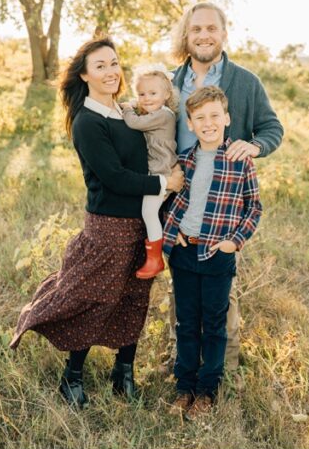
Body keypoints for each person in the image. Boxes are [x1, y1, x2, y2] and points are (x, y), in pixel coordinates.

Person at [10, 38, 185, 407]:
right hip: (109, 226)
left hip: (143, 223)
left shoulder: (126, 111)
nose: (111, 71)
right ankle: (71, 377)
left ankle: (123, 372)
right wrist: (163, 183)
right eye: (101, 65)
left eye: (114, 63)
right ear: (85, 75)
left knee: (134, 299)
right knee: (97, 298)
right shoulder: (88, 122)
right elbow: (113, 176)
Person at [169, 2, 283, 370]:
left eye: (211, 28)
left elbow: (272, 128)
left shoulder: (245, 83)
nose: (204, 35)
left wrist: (254, 145)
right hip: (180, 201)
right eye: (196, 29)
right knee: (182, 289)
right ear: (186, 36)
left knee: (219, 292)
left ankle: (222, 365)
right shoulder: (172, 83)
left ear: (223, 33)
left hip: (223, 203)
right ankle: (182, 359)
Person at [161, 85, 262, 421]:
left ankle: (207, 390)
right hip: (185, 251)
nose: (208, 123)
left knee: (214, 325)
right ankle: (184, 387)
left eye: (214, 116)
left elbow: (254, 207)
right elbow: (171, 202)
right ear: (190, 123)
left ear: (227, 118)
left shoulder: (239, 160)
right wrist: (171, 235)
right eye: (200, 117)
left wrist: (235, 241)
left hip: (219, 254)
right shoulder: (184, 162)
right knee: (187, 322)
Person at [120, 65, 179, 279]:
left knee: (149, 213)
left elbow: (134, 122)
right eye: (141, 94)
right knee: (152, 212)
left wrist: (127, 107)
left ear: (166, 94)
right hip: (157, 171)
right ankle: (155, 255)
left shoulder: (163, 115)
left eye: (153, 93)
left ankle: (155, 260)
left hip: (161, 173)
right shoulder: (158, 111)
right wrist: (137, 102)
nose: (146, 98)